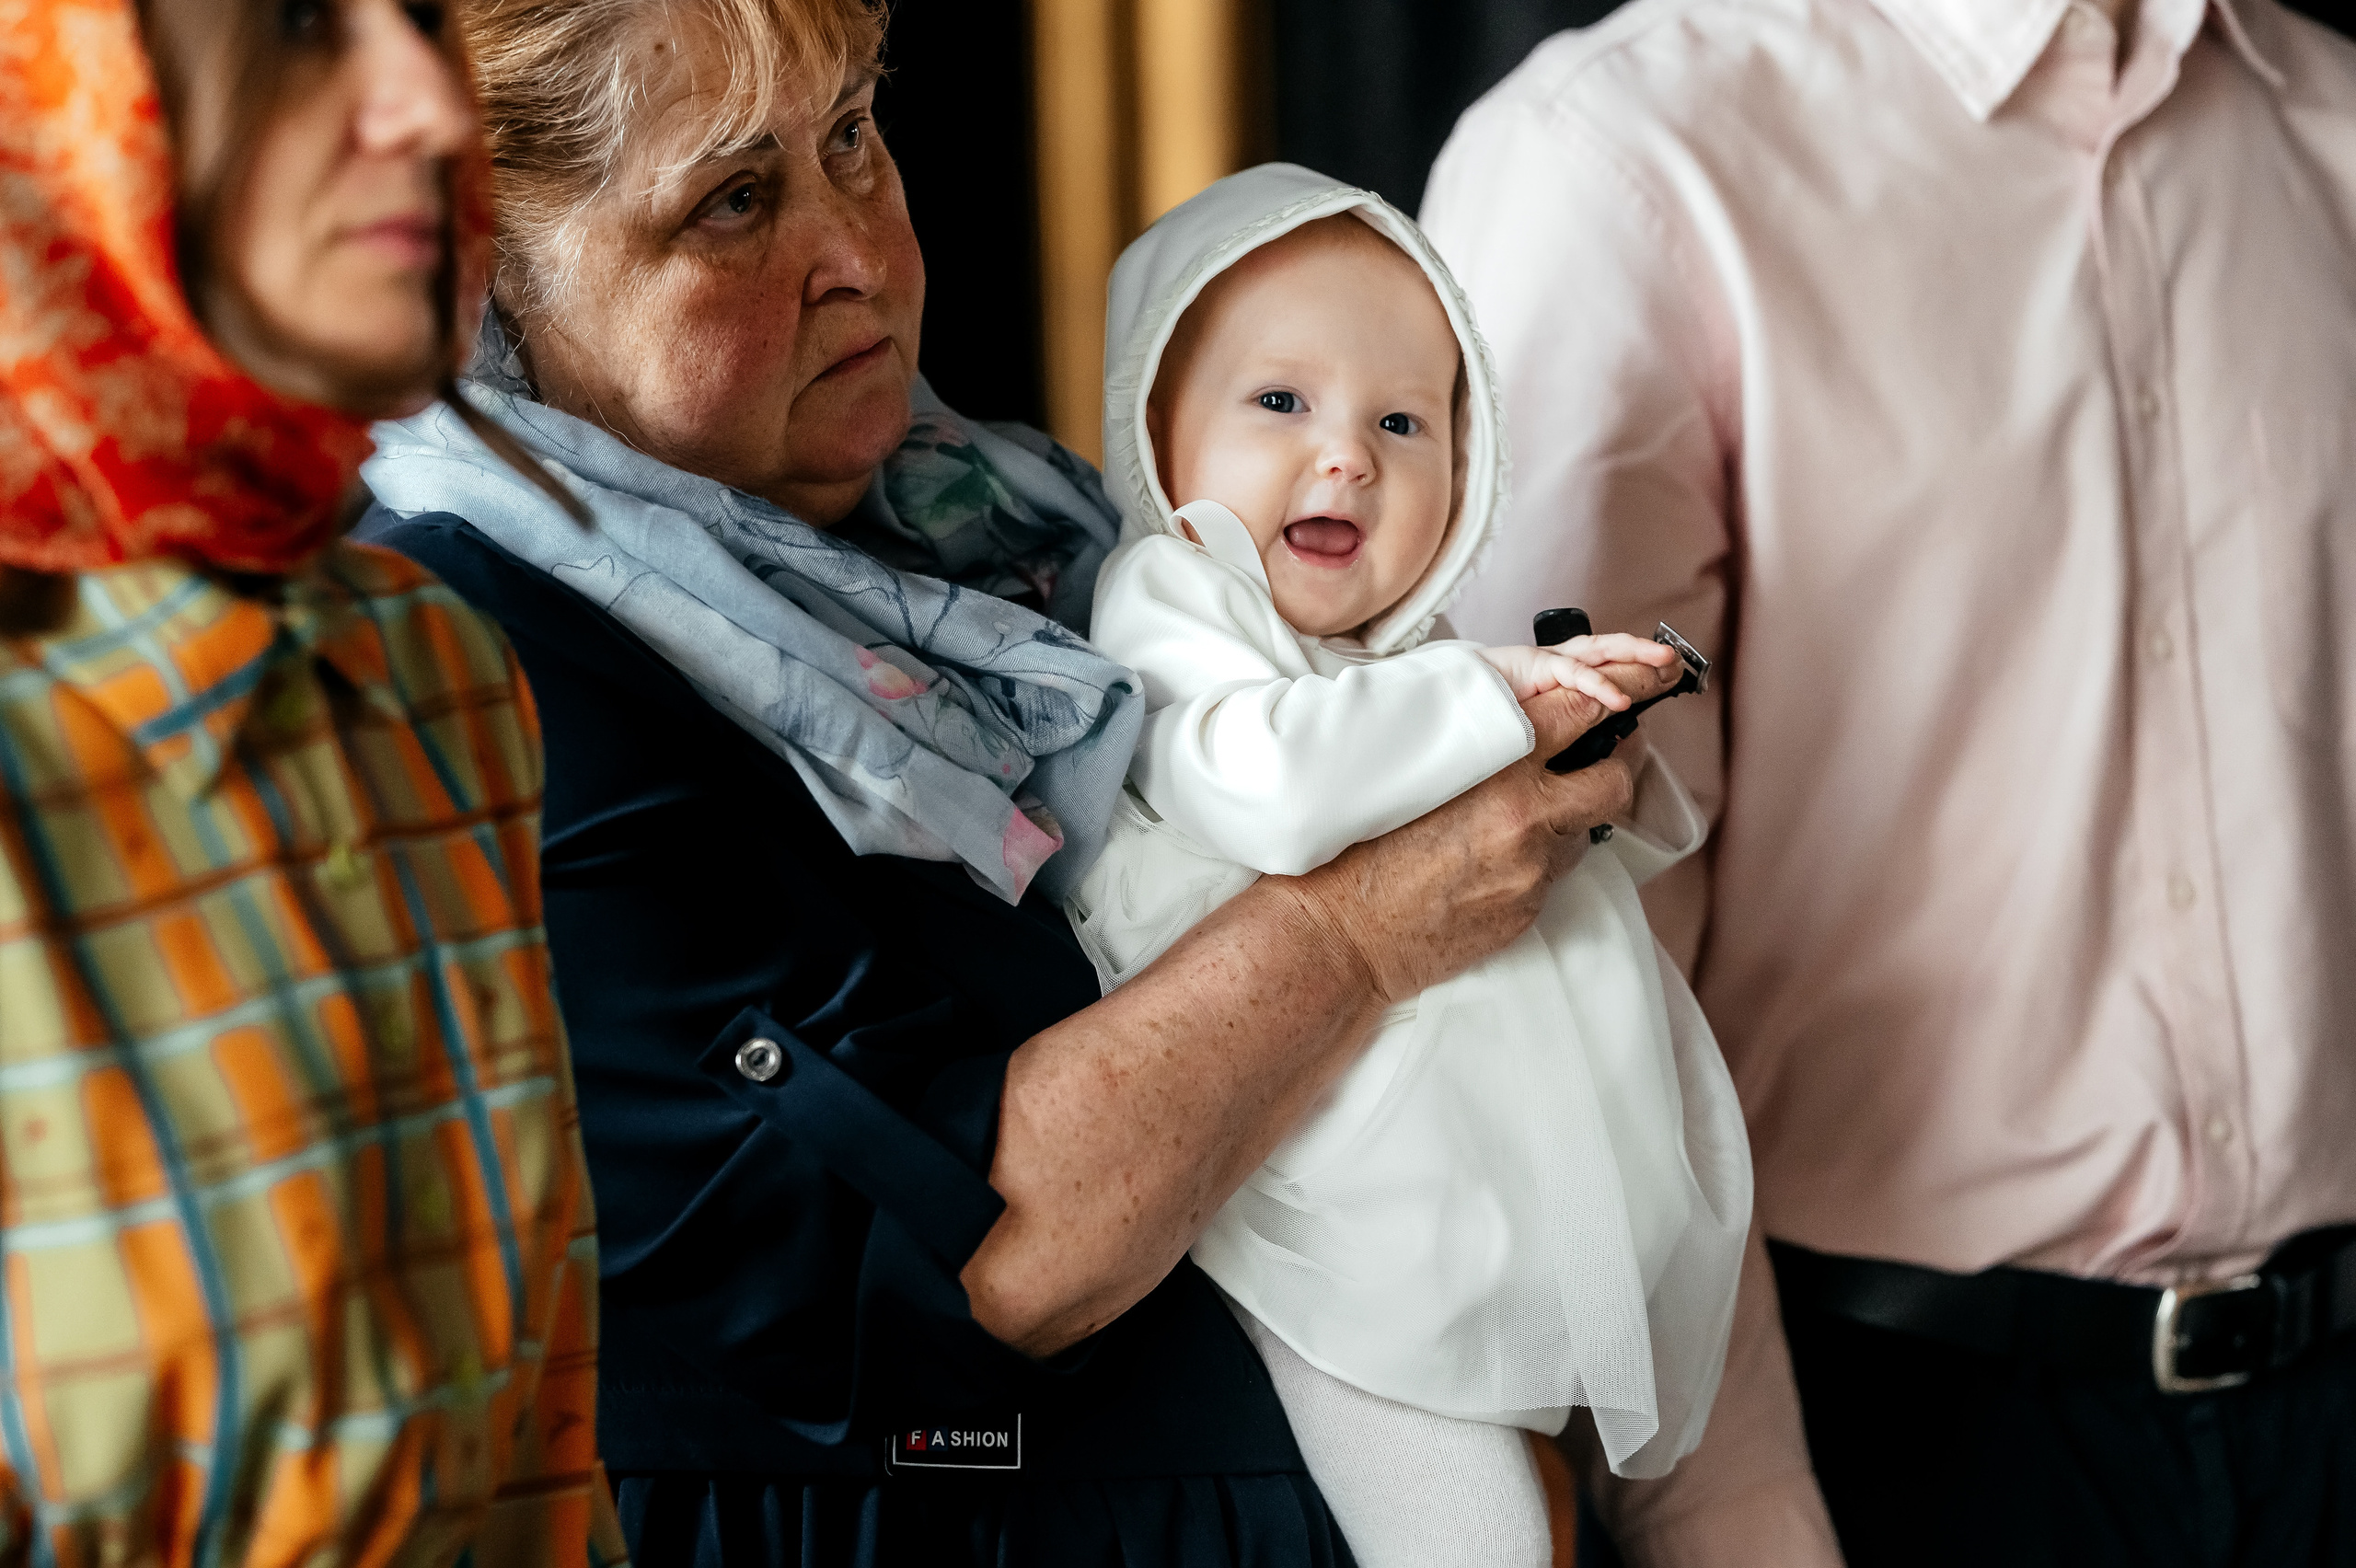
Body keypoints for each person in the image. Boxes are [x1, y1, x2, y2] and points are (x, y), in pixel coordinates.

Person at [351, 1, 1641, 1562]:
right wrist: (1360, 933)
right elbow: (949, 1253)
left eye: (852, 138)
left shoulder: (1002, 521)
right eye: (736, 202)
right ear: (482, 273)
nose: (862, 255)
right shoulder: (470, 672)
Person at [1421, 0, 2356, 1563]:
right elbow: (1575, 984)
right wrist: (1732, 1515)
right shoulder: (1622, 163)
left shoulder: (2330, 126)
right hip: (1895, 1444)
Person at [0, 0, 621, 1562]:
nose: (426, 104)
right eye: (295, 29)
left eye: (415, 18)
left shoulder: (436, 680)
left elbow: (547, 1474)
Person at [1070, 165, 1751, 1568]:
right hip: (1300, 1185)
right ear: (1156, 428)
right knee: (1476, 1538)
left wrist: (1586, 743)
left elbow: (1535, 821)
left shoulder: (1411, 656)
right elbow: (1269, 784)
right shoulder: (1176, 595)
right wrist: (1507, 697)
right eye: (1280, 404)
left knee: (1531, 1510)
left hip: (1447, 1197)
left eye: (1402, 419)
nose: (1349, 457)